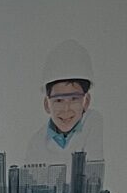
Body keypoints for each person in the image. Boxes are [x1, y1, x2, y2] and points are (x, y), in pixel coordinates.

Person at [24, 40, 104, 169]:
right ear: (46, 104)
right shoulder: (36, 143)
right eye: (59, 100)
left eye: (74, 99)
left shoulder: (94, 122)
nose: (66, 109)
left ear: (86, 101)